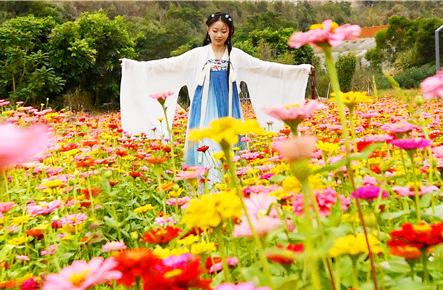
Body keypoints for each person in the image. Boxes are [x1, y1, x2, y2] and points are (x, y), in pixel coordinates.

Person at [120, 12, 313, 182]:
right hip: (202, 107)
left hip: (229, 107)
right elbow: (167, 65)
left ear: (230, 32)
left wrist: (300, 70)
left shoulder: (236, 55)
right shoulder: (197, 55)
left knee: (230, 142)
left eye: (224, 31)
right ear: (208, 30)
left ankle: (230, 181)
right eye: (215, 30)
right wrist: (134, 65)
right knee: (205, 140)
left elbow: (265, 68)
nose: (219, 35)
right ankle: (204, 181)